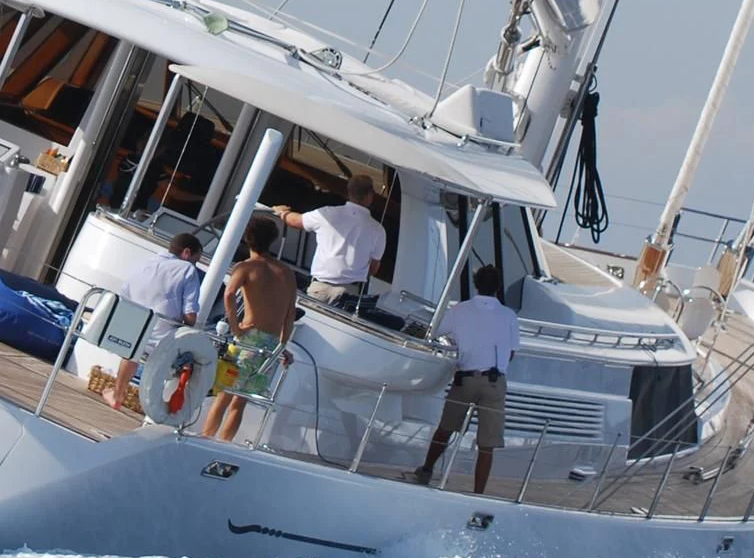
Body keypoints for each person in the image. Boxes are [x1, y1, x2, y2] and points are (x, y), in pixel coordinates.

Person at [412, 264, 520, 494]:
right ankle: (478, 493)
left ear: (476, 284)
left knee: (445, 429)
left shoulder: (459, 310)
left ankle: (426, 471)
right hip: (494, 381)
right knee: (487, 444)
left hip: (465, 379)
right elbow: (511, 352)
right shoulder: (509, 315)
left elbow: (433, 334)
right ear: (498, 287)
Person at [201, 218, 296, 445]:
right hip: (271, 344)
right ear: (272, 240)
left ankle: (205, 441)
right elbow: (290, 313)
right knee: (240, 401)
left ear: (247, 238)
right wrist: (282, 346)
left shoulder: (246, 267)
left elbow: (228, 294)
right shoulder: (286, 272)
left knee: (224, 396)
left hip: (248, 339)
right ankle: (223, 445)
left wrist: (235, 327)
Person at [105, 232, 204, 410]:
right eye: (196, 260)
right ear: (187, 253)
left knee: (132, 351)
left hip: (131, 332)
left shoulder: (146, 262)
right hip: (163, 339)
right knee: (196, 358)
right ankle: (158, 407)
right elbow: (190, 315)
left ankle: (118, 395)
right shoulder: (187, 270)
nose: (194, 264)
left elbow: (125, 293)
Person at [272, 173, 386, 310]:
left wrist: (283, 213)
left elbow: (297, 221)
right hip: (350, 294)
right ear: (370, 196)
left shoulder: (327, 214)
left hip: (320, 288)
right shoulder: (378, 230)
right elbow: (373, 268)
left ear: (349, 192)